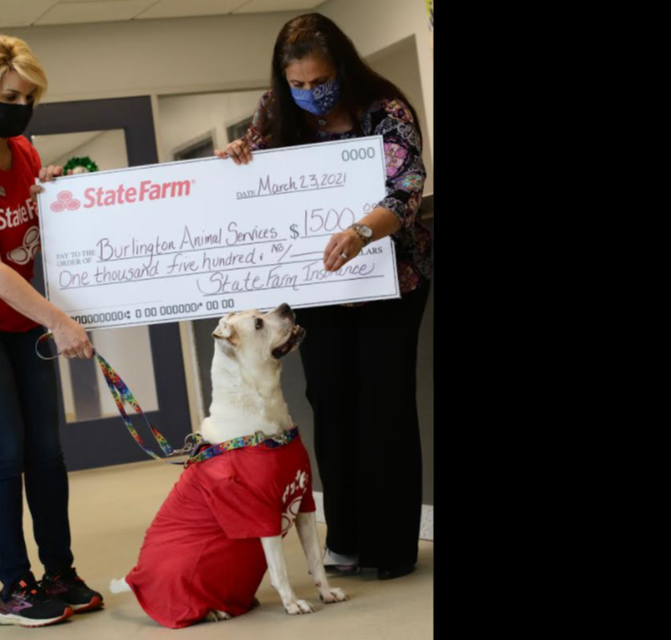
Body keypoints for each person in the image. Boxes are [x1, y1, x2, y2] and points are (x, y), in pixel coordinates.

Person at [217, 13, 431, 581]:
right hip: (319, 283)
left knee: (383, 401)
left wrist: (361, 232)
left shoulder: (386, 111)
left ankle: (390, 544)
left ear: (342, 67)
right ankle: (347, 539)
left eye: (321, 80)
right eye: (299, 84)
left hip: (391, 277)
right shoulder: (275, 109)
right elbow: (253, 165)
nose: (311, 92)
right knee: (330, 399)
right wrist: (237, 155)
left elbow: (407, 190)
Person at [0, 34, 103, 628]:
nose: (22, 107)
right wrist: (58, 318)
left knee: (47, 452)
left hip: (20, 321)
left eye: (29, 97)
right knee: (3, 454)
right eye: (10, 97)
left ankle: (59, 573)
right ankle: (15, 590)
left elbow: (29, 225)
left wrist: (57, 197)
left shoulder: (22, 151)